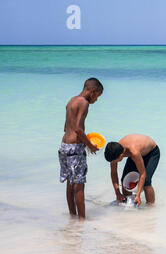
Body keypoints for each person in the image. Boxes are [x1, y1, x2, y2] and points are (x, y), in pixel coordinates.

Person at [58, 78, 103, 219]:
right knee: (79, 185)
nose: (96, 100)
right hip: (75, 148)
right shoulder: (83, 103)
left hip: (64, 146)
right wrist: (90, 146)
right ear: (93, 91)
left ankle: (73, 217)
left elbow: (66, 127)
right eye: (97, 96)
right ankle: (82, 221)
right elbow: (78, 128)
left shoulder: (72, 100)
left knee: (70, 183)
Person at [104, 135, 160, 206]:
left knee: (146, 181)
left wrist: (138, 195)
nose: (113, 163)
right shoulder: (114, 151)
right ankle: (129, 203)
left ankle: (151, 207)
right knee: (125, 182)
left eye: (114, 161)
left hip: (151, 153)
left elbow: (142, 173)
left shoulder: (134, 152)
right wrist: (118, 193)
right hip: (138, 153)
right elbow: (113, 173)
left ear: (121, 155)